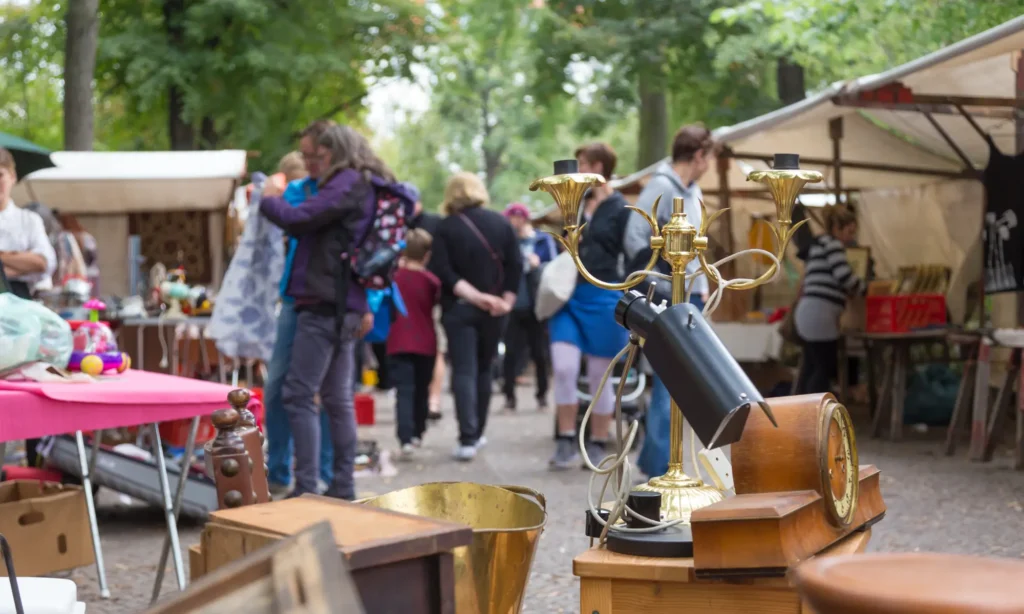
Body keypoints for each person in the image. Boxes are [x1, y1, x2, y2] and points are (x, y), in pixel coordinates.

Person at [260, 125, 417, 499]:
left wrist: (268, 199)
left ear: (335, 152)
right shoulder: (364, 182)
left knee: (299, 393)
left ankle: (308, 487)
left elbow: (300, 219)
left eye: (315, 155)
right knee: (336, 397)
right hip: (345, 302)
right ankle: (340, 487)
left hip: (325, 302)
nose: (311, 163)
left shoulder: (346, 182)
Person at [624, 125, 714, 480]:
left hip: (690, 293)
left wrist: (701, 285)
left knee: (679, 381)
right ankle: (660, 467)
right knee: (672, 380)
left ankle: (657, 462)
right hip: (669, 292)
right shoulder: (660, 188)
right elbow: (635, 238)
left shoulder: (692, 191)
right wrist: (658, 284)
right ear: (699, 155)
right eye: (710, 156)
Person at [262, 132, 338, 497]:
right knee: (281, 386)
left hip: (323, 299)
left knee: (321, 389)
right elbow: (283, 208)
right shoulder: (298, 193)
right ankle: (284, 470)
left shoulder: (340, 193)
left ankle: (319, 473)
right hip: (295, 297)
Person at [548, 142, 631, 470]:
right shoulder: (576, 202)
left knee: (600, 375)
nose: (576, 168)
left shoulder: (621, 207)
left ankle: (597, 444)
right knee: (565, 367)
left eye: (581, 163)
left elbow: (633, 252)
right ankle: (565, 439)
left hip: (605, 296)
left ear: (597, 167)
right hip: (569, 295)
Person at [431, 172, 522, 461]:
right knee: (485, 368)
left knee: (464, 370)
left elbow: (443, 271)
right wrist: (504, 301)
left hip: (460, 307)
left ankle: (467, 437)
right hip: (496, 311)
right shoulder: (501, 223)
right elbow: (516, 265)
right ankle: (479, 432)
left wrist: (475, 298)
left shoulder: (445, 228)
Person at [794, 204, 865, 394]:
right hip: (820, 315)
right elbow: (845, 277)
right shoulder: (833, 245)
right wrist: (866, 289)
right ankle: (813, 410)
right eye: (849, 232)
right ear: (836, 229)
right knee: (825, 368)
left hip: (808, 313)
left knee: (811, 365)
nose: (851, 238)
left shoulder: (819, 245)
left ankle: (800, 408)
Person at [387, 228, 441, 459]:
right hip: (426, 342)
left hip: (398, 341)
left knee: (404, 391)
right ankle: (418, 431)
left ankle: (405, 437)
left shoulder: (393, 279)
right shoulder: (432, 281)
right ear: (427, 254)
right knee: (421, 389)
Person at [501, 202, 557, 411]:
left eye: (516, 217)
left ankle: (542, 395)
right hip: (513, 305)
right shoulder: (508, 242)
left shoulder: (542, 241)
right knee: (510, 353)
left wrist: (538, 265)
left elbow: (554, 270)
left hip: (536, 306)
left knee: (539, 353)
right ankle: (509, 397)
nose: (513, 222)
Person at [408, 195, 446, 421]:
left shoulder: (434, 222)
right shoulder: (403, 222)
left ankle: (433, 399)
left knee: (437, 348)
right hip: (412, 298)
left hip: (431, 297)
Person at [0, 147, 57, 300]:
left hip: (20, 302)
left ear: (12, 177)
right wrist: (18, 261)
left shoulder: (29, 220)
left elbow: (42, 263)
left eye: (0, 175)